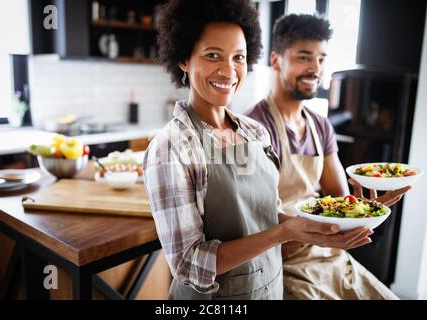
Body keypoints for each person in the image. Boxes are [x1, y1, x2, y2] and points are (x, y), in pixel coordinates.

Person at [143, 1, 374, 300]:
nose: (229, 70)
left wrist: (320, 228)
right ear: (184, 60)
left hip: (271, 290)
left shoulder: (255, 132)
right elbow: (188, 265)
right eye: (213, 55)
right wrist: (284, 234)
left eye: (238, 57)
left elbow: (265, 213)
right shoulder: (171, 147)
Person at [246, 13, 410, 300]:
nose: (315, 68)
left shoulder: (321, 126)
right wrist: (318, 229)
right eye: (304, 57)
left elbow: (339, 199)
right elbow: (255, 221)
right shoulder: (255, 128)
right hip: (282, 263)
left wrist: (363, 210)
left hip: (331, 257)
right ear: (275, 60)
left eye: (321, 59)